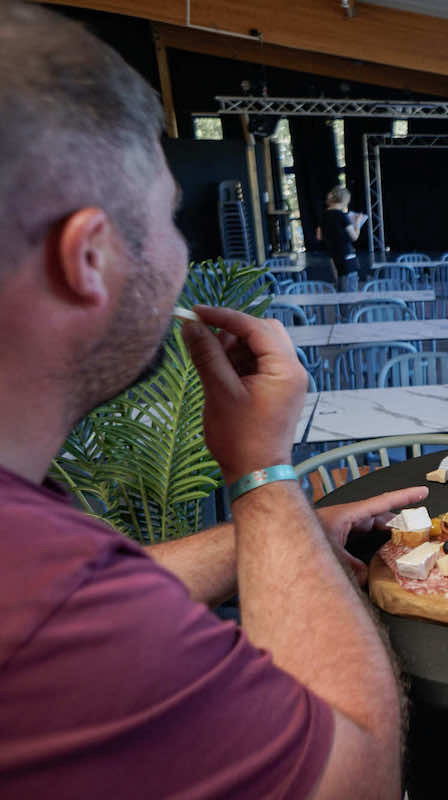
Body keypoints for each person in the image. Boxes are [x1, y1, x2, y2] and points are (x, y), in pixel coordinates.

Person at [0, 4, 419, 796]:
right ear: (88, 257)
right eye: (168, 218)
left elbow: (100, 597)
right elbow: (356, 776)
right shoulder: (42, 604)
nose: (182, 251)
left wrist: (274, 542)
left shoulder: (44, 574)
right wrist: (263, 473)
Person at [319, 185, 367, 289]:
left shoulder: (324, 215)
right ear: (344, 200)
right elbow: (354, 237)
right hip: (347, 257)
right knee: (350, 289)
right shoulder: (341, 216)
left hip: (334, 257)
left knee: (339, 288)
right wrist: (357, 223)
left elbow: (319, 236)